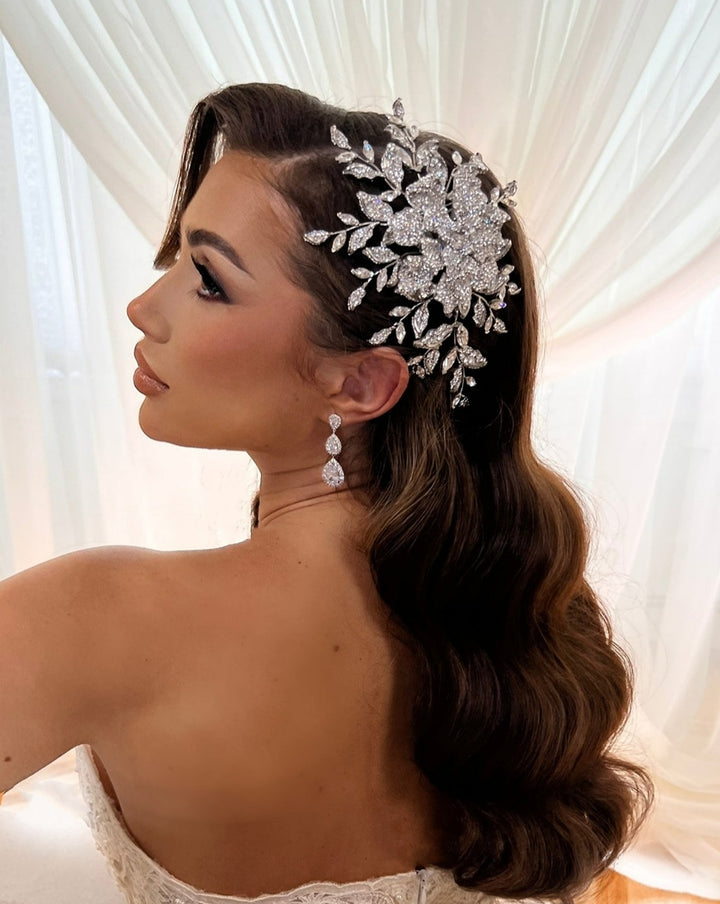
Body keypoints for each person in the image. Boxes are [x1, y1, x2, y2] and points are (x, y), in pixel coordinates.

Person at [0, 83, 652, 904]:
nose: (142, 307)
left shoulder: (94, 617)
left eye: (206, 278)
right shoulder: (522, 622)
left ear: (361, 382)